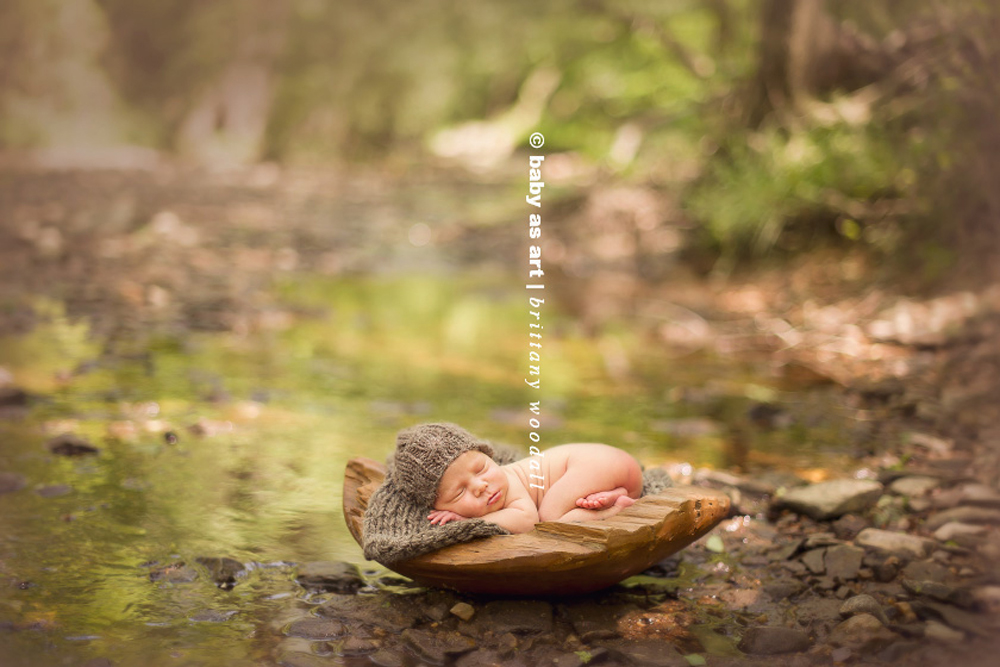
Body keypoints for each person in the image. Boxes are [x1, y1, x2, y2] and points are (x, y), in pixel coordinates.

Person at [427, 442, 643, 534]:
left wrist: (470, 521)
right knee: (559, 508)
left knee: (549, 519)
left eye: (481, 469)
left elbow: (527, 521)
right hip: (618, 471)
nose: (480, 486)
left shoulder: (510, 483)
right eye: (460, 491)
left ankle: (617, 509)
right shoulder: (491, 485)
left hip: (597, 463)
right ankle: (614, 494)